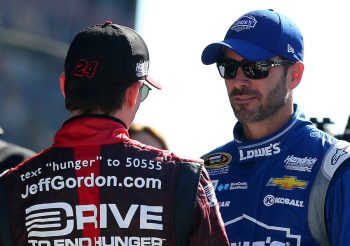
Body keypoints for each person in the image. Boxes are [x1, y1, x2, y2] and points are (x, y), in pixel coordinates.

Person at [0, 21, 229, 246]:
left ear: (63, 87)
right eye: (143, 91)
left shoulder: (11, 187)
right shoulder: (184, 178)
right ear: (133, 94)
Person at [200, 9, 350, 245]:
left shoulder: (335, 166)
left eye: (256, 67)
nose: (239, 81)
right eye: (229, 67)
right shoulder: (203, 173)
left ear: (294, 75)